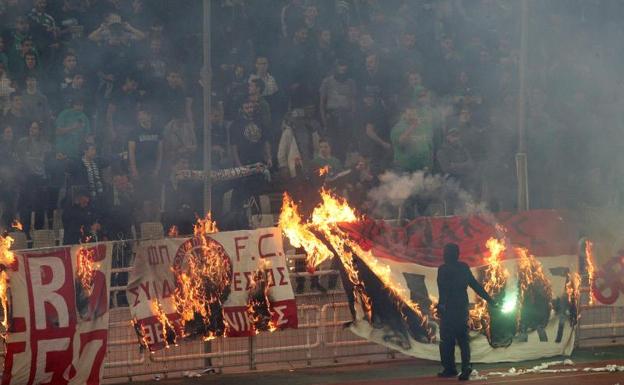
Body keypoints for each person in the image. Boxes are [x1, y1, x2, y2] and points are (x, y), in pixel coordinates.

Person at [436, 243, 497, 380]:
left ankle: (450, 369)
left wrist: (441, 307)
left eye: (445, 253)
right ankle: (466, 367)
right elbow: (476, 286)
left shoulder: (443, 269)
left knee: (447, 341)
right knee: (463, 340)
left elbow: (443, 291)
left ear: (447, 255)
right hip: (462, 308)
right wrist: (491, 300)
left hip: (449, 310)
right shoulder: (463, 267)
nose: (444, 255)